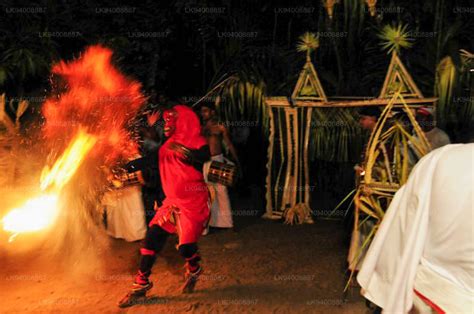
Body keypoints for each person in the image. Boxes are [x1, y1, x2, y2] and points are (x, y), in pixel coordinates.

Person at [357, 144, 473, 313]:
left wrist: (385, 285)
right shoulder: (439, 159)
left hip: (431, 294)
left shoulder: (440, 158)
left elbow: (402, 230)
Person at [118, 105, 210, 308]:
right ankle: (140, 285)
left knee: (185, 247)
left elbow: (205, 157)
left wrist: (186, 152)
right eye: (166, 122)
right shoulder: (167, 146)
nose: (167, 125)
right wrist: (124, 168)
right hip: (172, 203)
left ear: (183, 122)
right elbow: (148, 160)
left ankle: (194, 268)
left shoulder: (196, 141)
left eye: (171, 121)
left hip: (193, 203)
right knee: (151, 239)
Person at [200, 103, 239, 230]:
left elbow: (229, 144)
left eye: (206, 111)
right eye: (202, 111)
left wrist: (237, 161)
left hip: (217, 160)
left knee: (222, 191)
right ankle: (208, 224)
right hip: (205, 162)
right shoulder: (200, 128)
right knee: (207, 193)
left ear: (212, 112)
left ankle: (227, 223)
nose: (203, 114)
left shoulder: (220, 127)